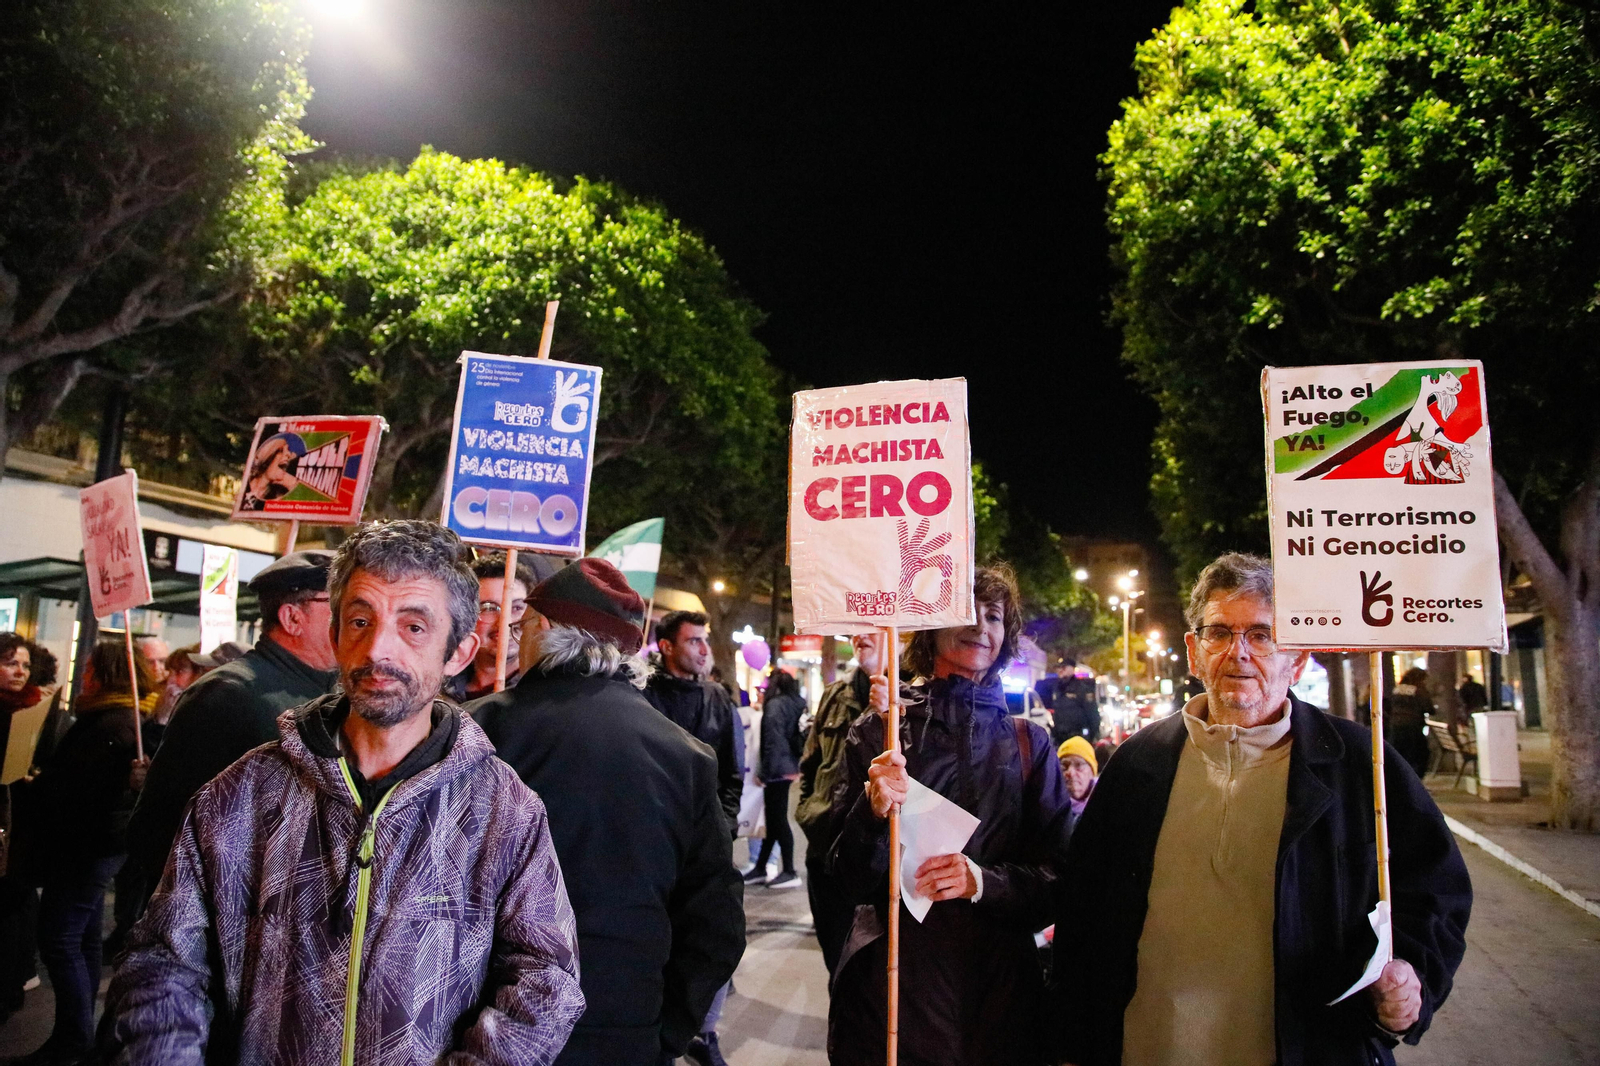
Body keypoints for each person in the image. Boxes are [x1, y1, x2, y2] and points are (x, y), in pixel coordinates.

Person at [105, 520, 585, 1063]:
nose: (377, 648)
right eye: (360, 620)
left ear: (458, 652)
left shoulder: (502, 812)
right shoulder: (243, 794)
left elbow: (545, 982)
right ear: (334, 635)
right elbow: (163, 960)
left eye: (413, 627)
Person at [1055, 552, 1472, 1066]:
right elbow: (1084, 913)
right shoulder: (1136, 764)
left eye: (1261, 635)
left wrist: (1410, 981)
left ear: (1296, 659)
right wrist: (1073, 1040)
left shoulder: (1358, 765)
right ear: (1193, 651)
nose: (1239, 653)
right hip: (1151, 1047)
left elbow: (1434, 892)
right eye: (1219, 633)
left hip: (1314, 1048)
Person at [471, 559, 745, 1066]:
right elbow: (716, 922)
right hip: (627, 1031)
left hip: (484, 1028)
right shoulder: (683, 756)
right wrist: (665, 1034)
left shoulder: (476, 733)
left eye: (521, 624)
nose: (516, 639)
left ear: (545, 627)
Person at [827, 565, 1073, 1066]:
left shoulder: (1031, 743)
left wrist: (981, 882)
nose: (980, 627)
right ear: (930, 624)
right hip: (896, 994)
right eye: (963, 611)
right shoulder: (879, 733)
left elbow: (1060, 881)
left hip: (1002, 1000)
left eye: (994, 615)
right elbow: (844, 879)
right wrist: (871, 814)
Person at [124, 550, 339, 909]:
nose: (356, 617)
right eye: (339, 603)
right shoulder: (228, 694)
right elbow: (159, 827)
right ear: (291, 617)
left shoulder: (334, 692)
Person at [23, 641, 151, 1063]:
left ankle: (73, 1036)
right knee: (83, 939)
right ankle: (82, 1032)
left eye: (90, 667)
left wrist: (39, 784)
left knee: (60, 939)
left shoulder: (107, 725)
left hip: (84, 848)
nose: (84, 674)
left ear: (104, 674)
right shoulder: (119, 721)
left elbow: (81, 794)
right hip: (99, 847)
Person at [796, 632, 880, 973]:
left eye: (873, 623)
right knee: (838, 970)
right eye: (856, 625)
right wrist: (810, 815)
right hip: (827, 857)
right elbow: (811, 766)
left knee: (876, 981)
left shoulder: (916, 696)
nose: (861, 634)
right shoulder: (834, 695)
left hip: (880, 866)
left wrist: (889, 714)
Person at [644, 610, 743, 832]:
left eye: (705, 641)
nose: (705, 651)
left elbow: (731, 771)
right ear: (667, 647)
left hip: (706, 831)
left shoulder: (717, 696)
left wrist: (726, 826)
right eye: (694, 641)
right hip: (655, 830)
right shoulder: (643, 695)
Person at [454, 550, 537, 701]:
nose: (505, 622)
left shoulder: (543, 694)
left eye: (517, 608)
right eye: (489, 608)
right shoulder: (439, 687)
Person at [749, 669, 805, 889]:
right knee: (773, 821)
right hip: (790, 765)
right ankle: (761, 867)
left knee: (778, 820)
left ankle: (790, 870)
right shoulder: (796, 702)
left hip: (777, 770)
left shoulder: (774, 706)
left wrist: (764, 773)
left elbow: (773, 742)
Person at [1388, 666, 1435, 778]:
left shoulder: (1397, 689)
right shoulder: (1418, 690)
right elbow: (1429, 709)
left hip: (1395, 728)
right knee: (1421, 755)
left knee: (1401, 756)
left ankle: (1402, 781)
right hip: (1413, 728)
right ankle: (1416, 782)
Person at [1057, 735, 1098, 840]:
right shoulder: (1050, 812)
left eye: (1079, 765)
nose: (1070, 772)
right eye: (1064, 766)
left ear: (1092, 771)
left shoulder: (1106, 804)